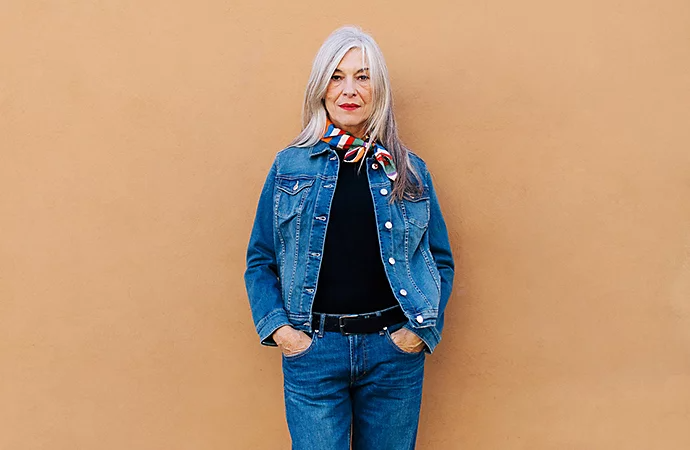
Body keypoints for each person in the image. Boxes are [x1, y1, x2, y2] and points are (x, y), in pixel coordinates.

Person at [244, 25, 454, 450]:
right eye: (336, 76)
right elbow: (260, 259)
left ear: (379, 90)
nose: (349, 89)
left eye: (362, 76)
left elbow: (439, 260)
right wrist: (284, 334)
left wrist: (417, 333)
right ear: (321, 88)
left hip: (393, 354)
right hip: (314, 353)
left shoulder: (410, 172)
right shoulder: (290, 167)